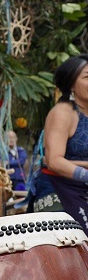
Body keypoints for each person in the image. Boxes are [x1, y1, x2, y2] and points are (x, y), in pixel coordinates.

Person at [39, 54, 88, 232]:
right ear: (71, 84)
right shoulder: (63, 113)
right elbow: (54, 161)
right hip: (58, 187)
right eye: (87, 77)